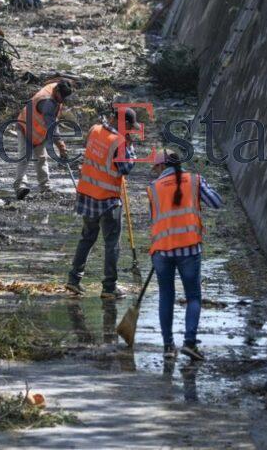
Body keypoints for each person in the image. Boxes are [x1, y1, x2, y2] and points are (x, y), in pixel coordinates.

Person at [147, 152, 223, 361]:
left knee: (166, 296)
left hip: (162, 250)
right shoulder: (195, 181)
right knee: (193, 297)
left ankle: (168, 346)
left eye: (155, 168)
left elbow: (153, 219)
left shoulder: (153, 188)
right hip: (189, 248)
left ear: (162, 167)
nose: (154, 172)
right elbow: (216, 202)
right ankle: (189, 343)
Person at [65, 108, 139, 300]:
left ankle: (74, 279)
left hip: (87, 194)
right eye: (130, 126)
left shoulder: (95, 129)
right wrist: (131, 149)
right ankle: (109, 287)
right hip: (107, 200)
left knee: (87, 238)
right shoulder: (121, 143)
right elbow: (126, 168)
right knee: (112, 244)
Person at [13, 79, 73, 199]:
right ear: (57, 91)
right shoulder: (47, 103)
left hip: (39, 132)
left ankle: (45, 188)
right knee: (24, 157)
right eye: (62, 97)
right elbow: (52, 127)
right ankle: (20, 187)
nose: (62, 101)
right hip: (25, 127)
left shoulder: (57, 88)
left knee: (41, 159)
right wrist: (60, 145)